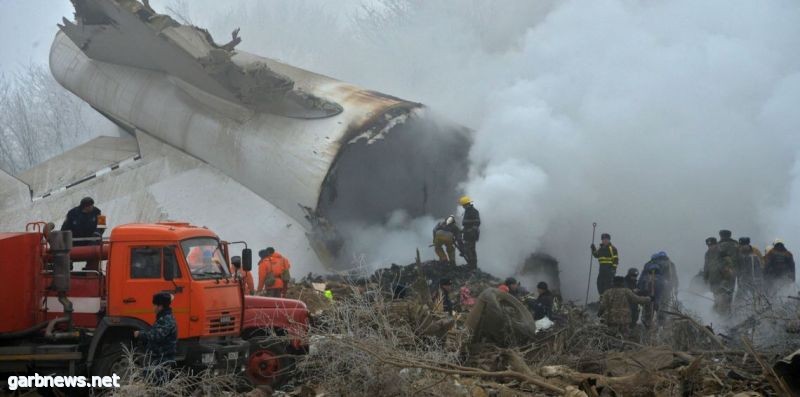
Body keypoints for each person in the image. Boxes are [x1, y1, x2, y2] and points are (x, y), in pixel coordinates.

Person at [134, 292, 177, 384]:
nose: (153, 308)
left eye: (154, 305)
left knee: (158, 386)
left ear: (160, 306)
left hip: (162, 360)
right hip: (158, 359)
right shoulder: (163, 318)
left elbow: (156, 336)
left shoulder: (166, 319)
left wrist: (140, 334)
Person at [712, 230, 739, 315]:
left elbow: (716, 261)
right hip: (733, 274)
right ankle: (728, 313)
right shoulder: (736, 245)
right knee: (729, 293)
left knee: (720, 294)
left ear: (721, 236)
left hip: (722, 274)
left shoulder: (719, 246)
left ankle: (720, 315)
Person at [637, 255, 666, 328]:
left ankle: (648, 326)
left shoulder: (645, 278)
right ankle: (657, 327)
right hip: (656, 301)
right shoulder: (661, 279)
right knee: (657, 315)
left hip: (648, 300)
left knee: (647, 316)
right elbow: (664, 290)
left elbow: (641, 287)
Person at [736, 237, 763, 305]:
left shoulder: (755, 253)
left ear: (748, 245)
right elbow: (736, 267)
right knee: (739, 299)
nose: (743, 247)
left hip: (754, 281)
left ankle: (759, 311)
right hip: (743, 281)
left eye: (745, 245)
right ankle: (737, 312)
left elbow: (761, 266)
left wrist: (759, 280)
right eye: (742, 246)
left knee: (756, 299)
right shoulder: (738, 254)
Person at [459, 196, 481, 270]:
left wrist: (470, 230)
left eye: (463, 205)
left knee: (470, 250)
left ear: (466, 204)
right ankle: (471, 265)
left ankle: (472, 266)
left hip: (472, 234)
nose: (463, 207)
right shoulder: (468, 211)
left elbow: (477, 222)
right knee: (469, 250)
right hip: (468, 233)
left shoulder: (473, 211)